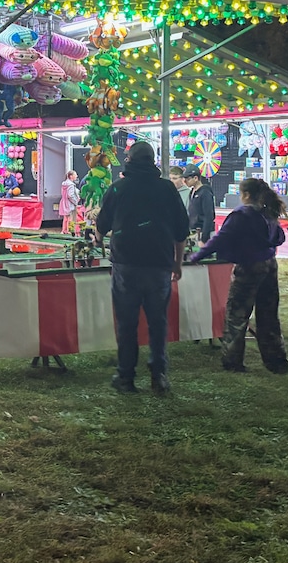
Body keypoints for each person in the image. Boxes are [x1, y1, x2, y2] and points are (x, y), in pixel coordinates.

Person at [94, 140, 190, 395]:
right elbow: (182, 231)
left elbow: (101, 227)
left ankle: (125, 377)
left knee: (127, 323)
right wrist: (177, 263)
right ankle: (159, 376)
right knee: (158, 322)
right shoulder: (168, 189)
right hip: (159, 265)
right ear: (152, 161)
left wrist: (99, 240)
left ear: (129, 160)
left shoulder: (118, 189)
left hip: (126, 265)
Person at [190, 177, 288, 374]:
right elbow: (279, 237)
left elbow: (221, 238)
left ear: (245, 195)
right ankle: (277, 361)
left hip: (248, 267)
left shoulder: (241, 215)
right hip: (270, 266)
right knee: (269, 316)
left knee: (237, 315)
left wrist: (197, 256)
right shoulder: (269, 212)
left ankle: (233, 361)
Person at [185, 167, 216, 242]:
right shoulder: (192, 192)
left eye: (188, 179)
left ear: (195, 178)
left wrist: (204, 238)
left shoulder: (205, 192)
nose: (185, 181)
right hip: (194, 231)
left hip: (203, 232)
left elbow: (209, 215)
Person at [59, 170, 81, 234]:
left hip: (64, 202)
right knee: (71, 217)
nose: (76, 176)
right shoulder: (71, 185)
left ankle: (64, 230)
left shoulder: (64, 184)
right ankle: (70, 231)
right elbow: (70, 195)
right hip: (70, 204)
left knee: (65, 217)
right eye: (75, 175)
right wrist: (75, 201)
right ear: (71, 176)